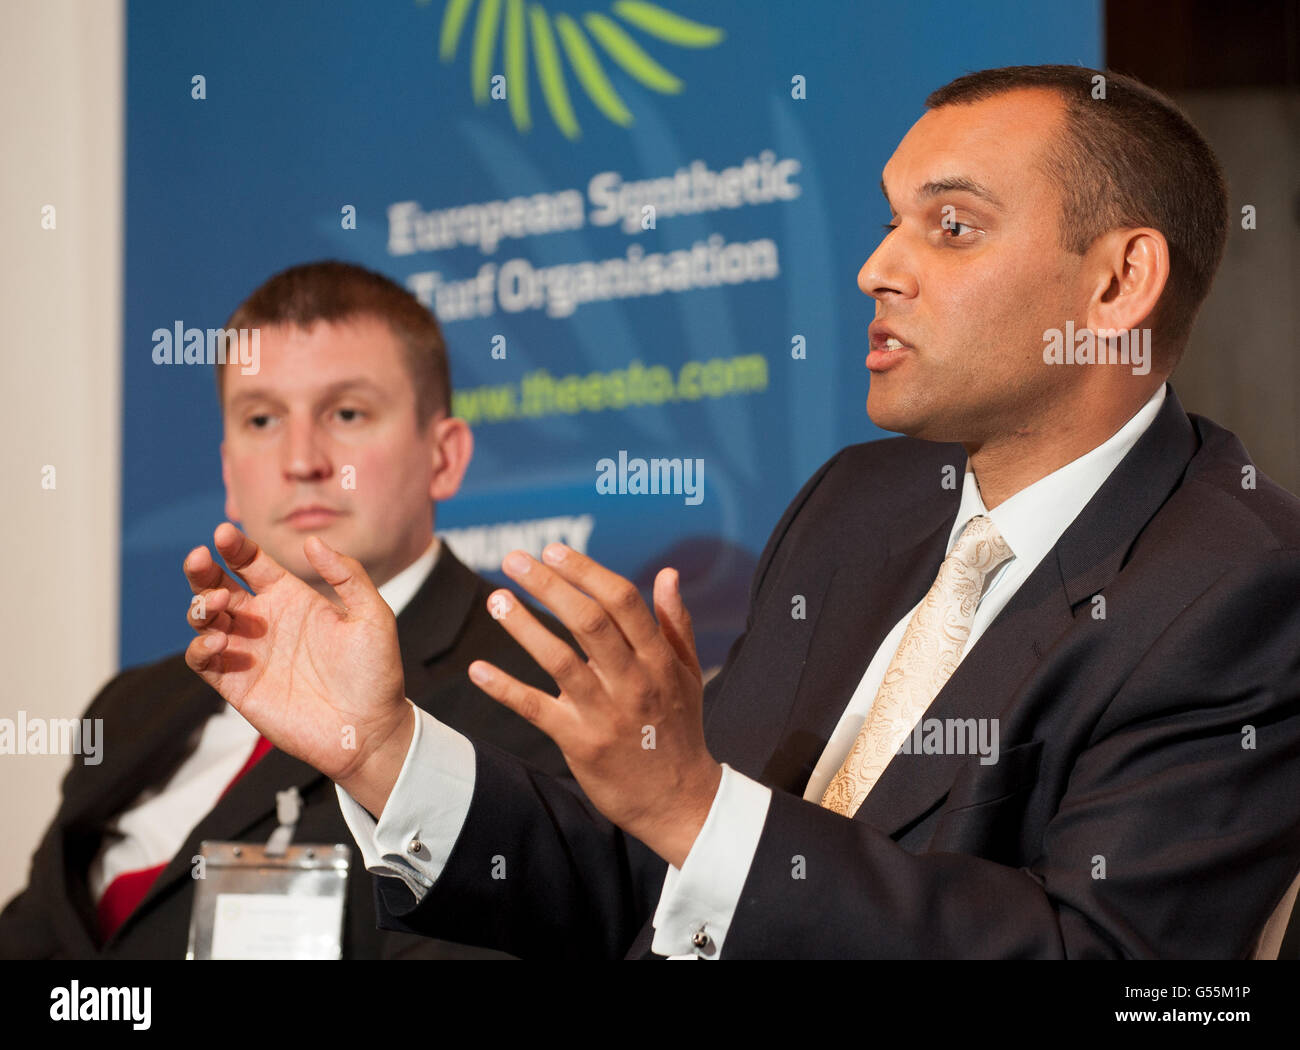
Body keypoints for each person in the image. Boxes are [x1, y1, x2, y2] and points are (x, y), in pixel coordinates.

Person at [181, 67, 1300, 959]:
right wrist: (383, 752)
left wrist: (697, 808)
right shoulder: (856, 505)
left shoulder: (1237, 588)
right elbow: (642, 878)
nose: (874, 268)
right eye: (886, 224)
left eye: (950, 227)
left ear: (1116, 284)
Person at [0, 261, 570, 959]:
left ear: (443, 458)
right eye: (262, 419)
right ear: (229, 473)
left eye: (348, 413)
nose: (301, 459)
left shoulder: (537, 686)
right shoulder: (129, 707)